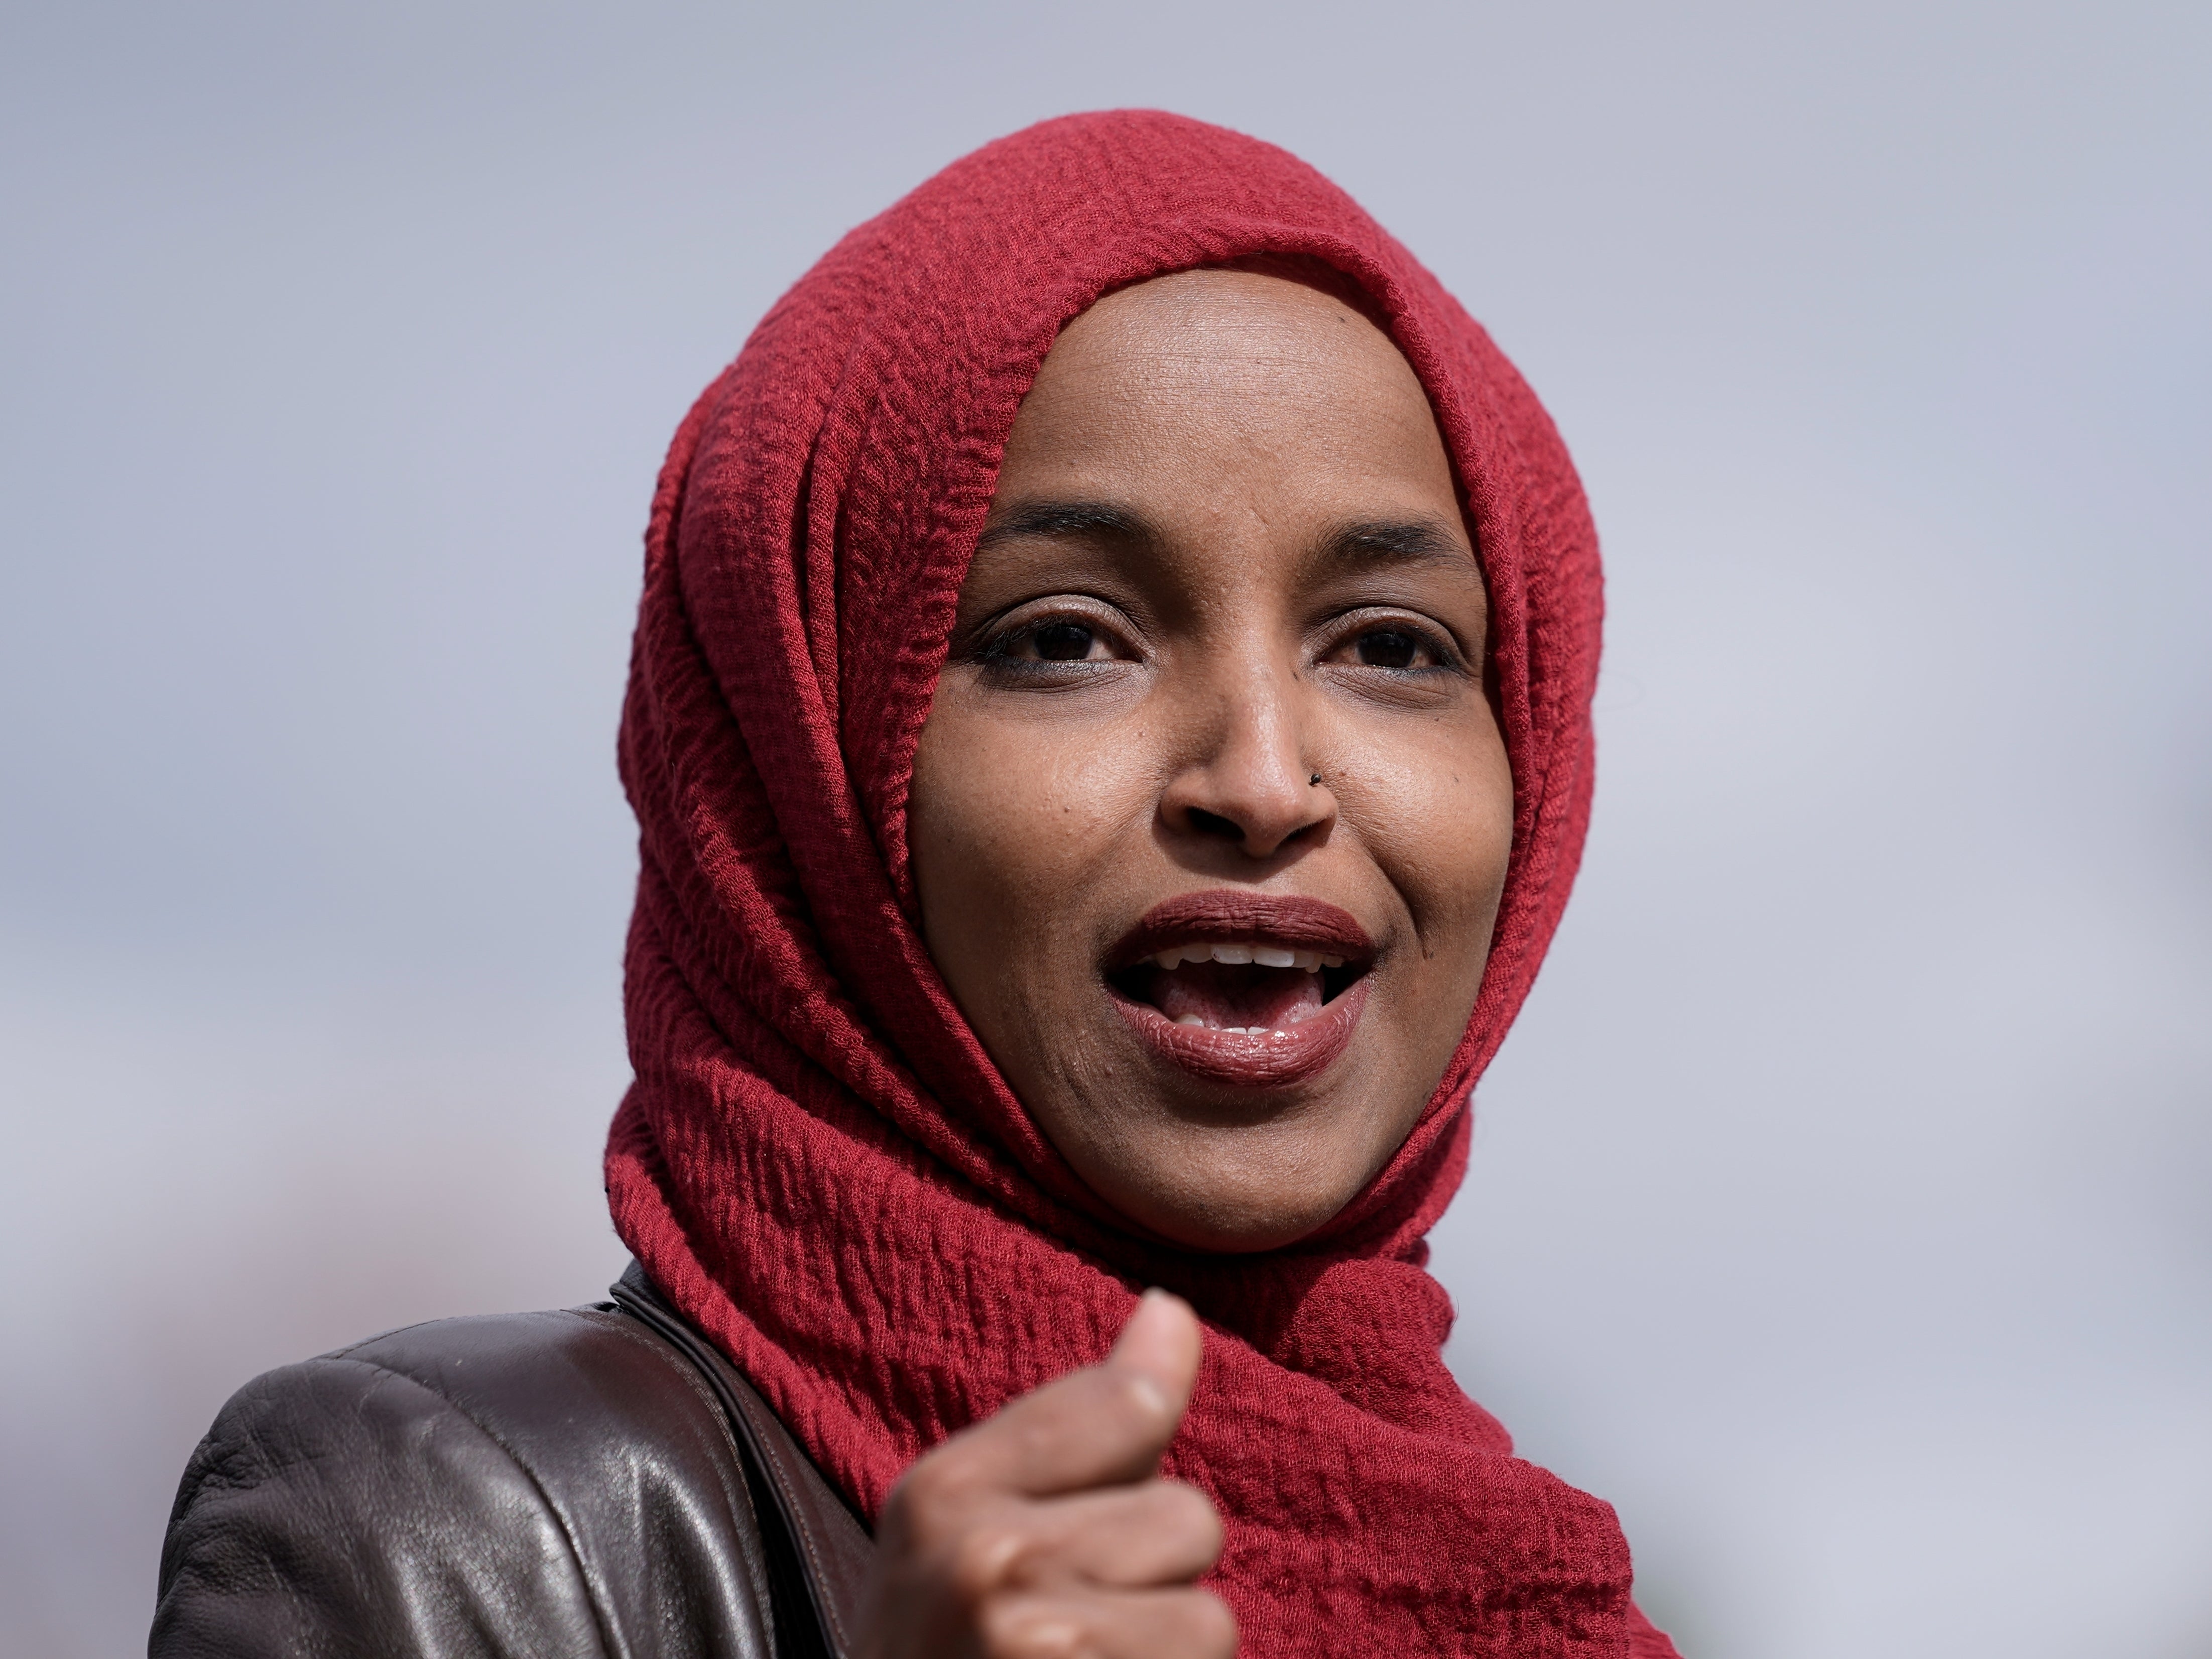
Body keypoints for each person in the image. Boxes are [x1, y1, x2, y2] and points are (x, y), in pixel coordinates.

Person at [152, 111, 1679, 1658]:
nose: (1267, 779)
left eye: (1391, 647)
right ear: (804, 765)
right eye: (1066, 638)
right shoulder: (456, 1530)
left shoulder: (1546, 1592)